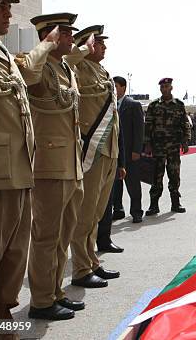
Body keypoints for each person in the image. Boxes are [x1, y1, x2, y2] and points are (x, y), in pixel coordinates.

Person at [0, 0, 56, 322]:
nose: (8, 14)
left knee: (11, 264)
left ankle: (1, 325)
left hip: (18, 173)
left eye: (9, 7)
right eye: (0, 6)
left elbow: (32, 69)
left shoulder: (1, 52)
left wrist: (50, 44)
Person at [25, 13, 88, 318]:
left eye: (70, 34)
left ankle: (55, 292)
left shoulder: (65, 68)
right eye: (63, 34)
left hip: (70, 162)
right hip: (49, 164)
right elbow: (27, 76)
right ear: (49, 36)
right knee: (46, 236)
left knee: (63, 236)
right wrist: (44, 47)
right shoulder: (41, 66)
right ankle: (41, 301)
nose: (70, 39)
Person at [65, 24, 123, 288]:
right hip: (92, 151)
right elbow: (65, 59)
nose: (104, 47)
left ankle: (91, 261)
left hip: (108, 151)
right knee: (86, 212)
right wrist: (81, 48)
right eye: (98, 43)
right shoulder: (77, 66)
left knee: (97, 212)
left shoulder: (101, 70)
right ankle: (80, 268)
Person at [144, 78, 191, 214]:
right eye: (162, 86)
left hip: (174, 147)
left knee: (174, 175)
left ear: (171, 88)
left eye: (167, 86)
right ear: (160, 89)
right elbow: (148, 125)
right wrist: (147, 143)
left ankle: (175, 203)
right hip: (158, 147)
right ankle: (154, 205)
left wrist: (185, 141)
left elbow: (185, 124)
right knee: (156, 176)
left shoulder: (179, 104)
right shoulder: (153, 105)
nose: (164, 88)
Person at [107, 76, 145, 224]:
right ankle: (118, 210)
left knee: (133, 183)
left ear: (123, 87)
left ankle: (136, 211)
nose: (113, 89)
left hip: (130, 152)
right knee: (115, 184)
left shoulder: (133, 105)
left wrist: (137, 150)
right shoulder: (109, 105)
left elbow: (139, 130)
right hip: (114, 152)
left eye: (115, 86)